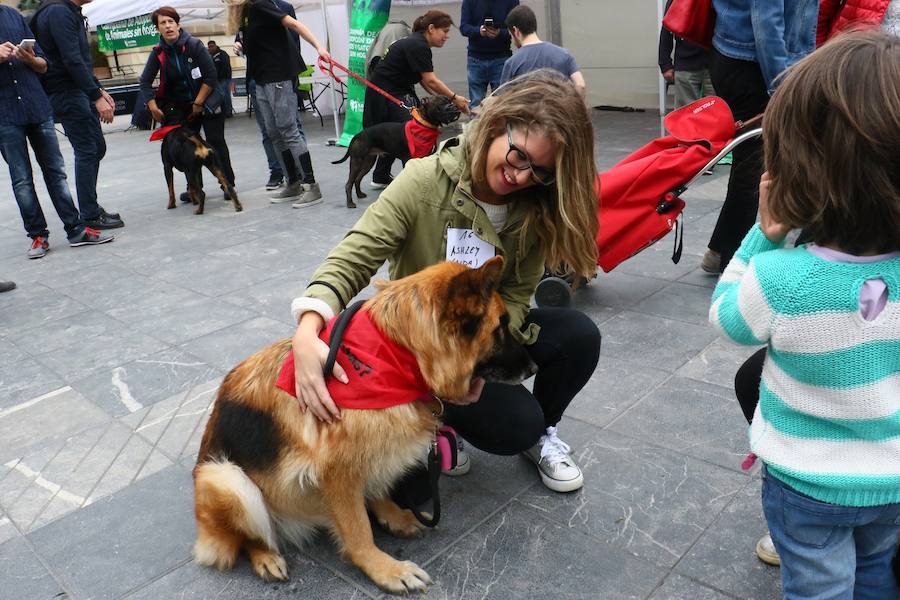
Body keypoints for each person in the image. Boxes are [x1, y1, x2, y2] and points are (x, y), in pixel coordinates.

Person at [289, 71, 600, 493]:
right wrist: (307, 331)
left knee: (577, 337)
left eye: (541, 171)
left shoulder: (535, 207)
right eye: (519, 157)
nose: (523, 177)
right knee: (407, 497)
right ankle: (435, 419)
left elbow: (515, 293)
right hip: (418, 350)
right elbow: (353, 256)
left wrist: (471, 364)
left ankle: (542, 435)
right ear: (496, 126)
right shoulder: (422, 181)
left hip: (478, 334)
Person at [709, 31, 900, 598]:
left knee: (818, 587)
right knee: (874, 577)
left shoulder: (782, 279)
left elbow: (727, 318)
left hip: (806, 485)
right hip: (889, 479)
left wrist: (762, 240)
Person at [699, 0, 818, 274]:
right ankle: (732, 264)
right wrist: (781, 89)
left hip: (742, 57)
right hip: (754, 63)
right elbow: (766, 23)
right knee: (754, 169)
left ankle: (720, 250)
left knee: (749, 164)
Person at [0, 6, 114, 260]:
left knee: (56, 172)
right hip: (5, 114)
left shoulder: (13, 15)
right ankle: (38, 235)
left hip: (37, 106)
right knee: (22, 180)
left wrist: (29, 58)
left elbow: (43, 65)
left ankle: (75, 229)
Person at [30, 0, 124, 230]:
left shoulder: (67, 11)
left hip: (77, 90)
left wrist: (98, 88)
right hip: (66, 92)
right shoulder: (58, 12)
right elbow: (71, 59)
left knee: (95, 148)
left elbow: (80, 60)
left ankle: (89, 206)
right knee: (87, 149)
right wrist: (95, 96)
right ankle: (90, 214)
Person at [227, 0, 330, 208]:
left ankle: (311, 185)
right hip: (261, 79)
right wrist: (241, 46)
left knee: (288, 130)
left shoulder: (260, 5)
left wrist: (319, 47)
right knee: (274, 132)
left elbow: (295, 25)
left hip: (278, 77)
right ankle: (292, 182)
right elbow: (261, 43)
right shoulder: (247, 14)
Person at [363, 10, 470, 189]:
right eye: (444, 31)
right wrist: (454, 98)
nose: (446, 36)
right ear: (431, 28)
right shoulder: (418, 45)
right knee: (415, 129)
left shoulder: (416, 42)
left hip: (392, 90)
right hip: (386, 93)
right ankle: (417, 182)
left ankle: (381, 175)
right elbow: (431, 80)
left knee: (396, 131)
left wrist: (445, 100)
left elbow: (424, 80)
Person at [140, 7, 236, 202]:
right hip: (183, 108)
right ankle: (194, 188)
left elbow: (211, 76)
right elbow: (144, 82)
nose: (167, 26)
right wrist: (152, 105)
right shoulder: (158, 52)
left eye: (170, 22)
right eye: (163, 23)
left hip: (208, 100)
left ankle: (227, 184)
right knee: (186, 146)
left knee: (215, 142)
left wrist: (199, 102)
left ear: (178, 24)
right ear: (158, 29)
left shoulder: (194, 45)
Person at [500, 5, 586, 98]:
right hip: (559, 111)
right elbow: (580, 85)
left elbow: (503, 99)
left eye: (511, 35)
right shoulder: (565, 54)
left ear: (516, 31)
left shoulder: (512, 63)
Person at [459, 0, 518, 109]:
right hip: (476, 58)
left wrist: (500, 33)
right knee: (477, 104)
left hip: (501, 57)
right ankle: (477, 125)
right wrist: (479, 31)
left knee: (502, 104)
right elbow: (463, 27)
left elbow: (516, 28)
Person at [658, 0, 714, 108]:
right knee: (687, 113)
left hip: (711, 63)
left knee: (712, 111)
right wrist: (665, 63)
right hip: (688, 63)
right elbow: (667, 27)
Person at [207, 40, 233, 118]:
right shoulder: (210, 55)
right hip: (216, 79)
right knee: (220, 96)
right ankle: (224, 111)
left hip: (224, 78)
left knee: (225, 95)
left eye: (212, 46)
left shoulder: (222, 54)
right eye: (209, 47)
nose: (211, 48)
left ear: (215, 46)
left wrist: (218, 76)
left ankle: (228, 111)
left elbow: (225, 67)